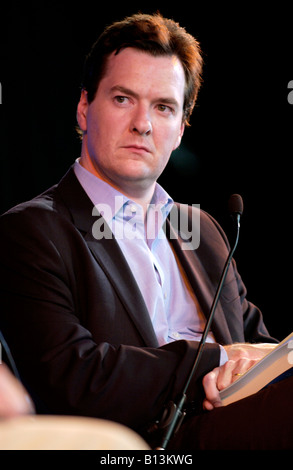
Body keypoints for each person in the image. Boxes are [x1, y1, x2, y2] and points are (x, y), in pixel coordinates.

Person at [0, 13, 292, 449]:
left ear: (180, 128)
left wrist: (264, 360)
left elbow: (259, 347)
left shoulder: (203, 231)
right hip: (151, 441)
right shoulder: (32, 231)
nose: (143, 124)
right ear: (84, 107)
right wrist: (215, 361)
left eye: (163, 107)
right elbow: (71, 376)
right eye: (123, 99)